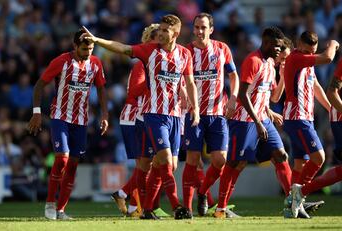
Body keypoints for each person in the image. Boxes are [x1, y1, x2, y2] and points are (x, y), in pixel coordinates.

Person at [81, 14, 200, 220]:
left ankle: (145, 209)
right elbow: (123, 47)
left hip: (174, 116)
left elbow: (189, 83)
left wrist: (195, 108)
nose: (160, 34)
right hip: (153, 115)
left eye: (165, 31)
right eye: (160, 30)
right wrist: (98, 40)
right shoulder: (149, 51)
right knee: (162, 160)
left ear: (176, 34)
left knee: (167, 165)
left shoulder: (185, 55)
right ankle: (176, 206)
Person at [28, 29, 109, 220]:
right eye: (84, 48)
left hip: (81, 121)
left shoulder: (96, 63)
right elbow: (40, 84)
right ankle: (49, 203)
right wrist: (37, 112)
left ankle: (61, 210)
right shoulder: (61, 62)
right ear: (75, 46)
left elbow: (101, 89)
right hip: (60, 117)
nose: (88, 52)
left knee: (72, 164)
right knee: (62, 158)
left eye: (90, 48)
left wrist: (105, 115)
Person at [214, 27, 291, 219]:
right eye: (276, 46)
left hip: (263, 119)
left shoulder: (270, 64)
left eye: (281, 47)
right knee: (236, 163)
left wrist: (282, 74)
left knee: (281, 155)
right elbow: (243, 94)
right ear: (266, 43)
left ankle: (293, 202)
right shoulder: (253, 61)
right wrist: (257, 122)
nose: (278, 50)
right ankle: (221, 209)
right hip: (245, 121)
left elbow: (271, 96)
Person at [181, 13, 239, 217]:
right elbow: (181, 81)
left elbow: (233, 75)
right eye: (196, 27)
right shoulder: (186, 51)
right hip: (194, 113)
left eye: (203, 27)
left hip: (217, 113)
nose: (199, 31)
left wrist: (233, 97)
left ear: (211, 30)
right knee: (192, 159)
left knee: (220, 160)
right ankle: (187, 209)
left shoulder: (222, 49)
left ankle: (203, 192)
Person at [112, 23, 169, 218]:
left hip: (146, 116)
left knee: (150, 164)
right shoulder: (142, 64)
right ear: (149, 40)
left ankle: (132, 200)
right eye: (157, 37)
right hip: (133, 116)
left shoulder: (160, 61)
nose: (161, 41)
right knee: (145, 164)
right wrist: (155, 80)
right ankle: (135, 203)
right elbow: (134, 92)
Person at [282, 31, 339, 218]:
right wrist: (334, 42)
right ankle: (298, 197)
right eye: (307, 50)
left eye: (311, 51)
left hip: (304, 118)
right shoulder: (296, 58)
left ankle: (292, 207)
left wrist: (331, 108)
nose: (309, 54)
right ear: (299, 44)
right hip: (297, 118)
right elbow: (328, 57)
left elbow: (315, 87)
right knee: (319, 158)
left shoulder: (306, 61)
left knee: (301, 164)